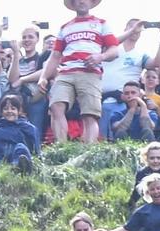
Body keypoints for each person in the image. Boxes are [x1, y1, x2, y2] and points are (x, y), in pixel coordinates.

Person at [36, 0, 127, 144]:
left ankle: (88, 150)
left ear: (91, 3)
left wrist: (100, 56)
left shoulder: (101, 23)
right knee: (55, 106)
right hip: (66, 72)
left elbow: (114, 50)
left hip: (90, 72)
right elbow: (55, 55)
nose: (81, 1)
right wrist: (43, 77)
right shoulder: (65, 27)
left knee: (90, 114)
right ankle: (62, 147)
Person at [0, 93, 38, 172]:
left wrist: (38, 155)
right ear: (2, 111)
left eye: (13, 108)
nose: (9, 111)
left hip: (17, 154)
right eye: (6, 109)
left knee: (21, 148)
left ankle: (18, 167)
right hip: (0, 157)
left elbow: (35, 144)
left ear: (18, 111)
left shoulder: (27, 126)